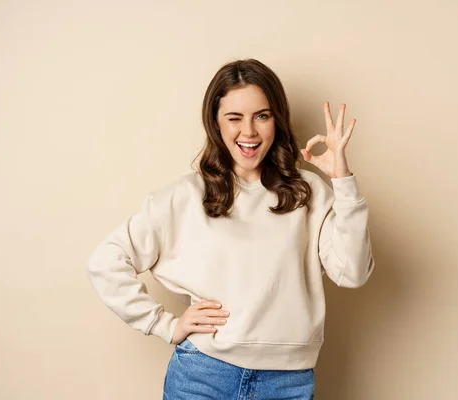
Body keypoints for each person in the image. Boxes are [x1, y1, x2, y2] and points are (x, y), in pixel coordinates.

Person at [86, 58, 375, 399]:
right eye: (234, 118)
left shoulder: (309, 192)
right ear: (216, 123)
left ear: (277, 120)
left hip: (288, 383)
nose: (249, 132)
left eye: (262, 116)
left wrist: (342, 181)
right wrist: (165, 325)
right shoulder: (186, 195)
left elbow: (353, 273)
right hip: (203, 375)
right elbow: (105, 262)